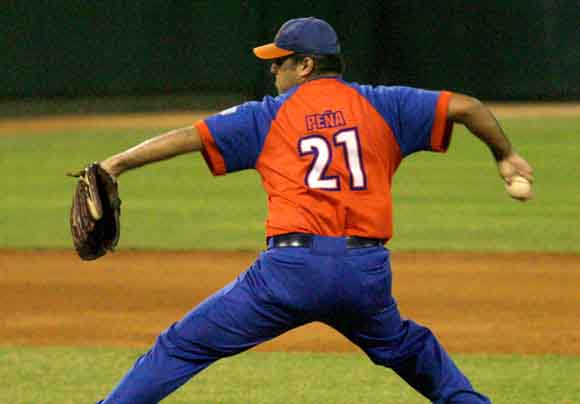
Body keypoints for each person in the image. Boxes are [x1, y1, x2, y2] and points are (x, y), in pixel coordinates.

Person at [96, 17, 533, 404]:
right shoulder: (385, 103)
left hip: (289, 273)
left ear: (305, 65)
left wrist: (114, 164)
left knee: (180, 347)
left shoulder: (266, 116)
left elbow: (187, 137)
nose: (273, 68)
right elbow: (466, 107)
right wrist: (506, 156)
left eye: (281, 60)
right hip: (364, 274)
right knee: (410, 348)